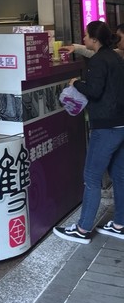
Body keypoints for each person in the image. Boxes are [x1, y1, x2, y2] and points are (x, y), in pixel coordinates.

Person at [53, 20, 124, 244]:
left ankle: (82, 229)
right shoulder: (115, 57)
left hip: (105, 126)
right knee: (119, 175)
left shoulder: (99, 61)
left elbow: (94, 91)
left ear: (94, 39)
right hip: (120, 124)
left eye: (85, 35)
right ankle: (120, 224)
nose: (83, 39)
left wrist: (76, 83)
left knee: (92, 177)